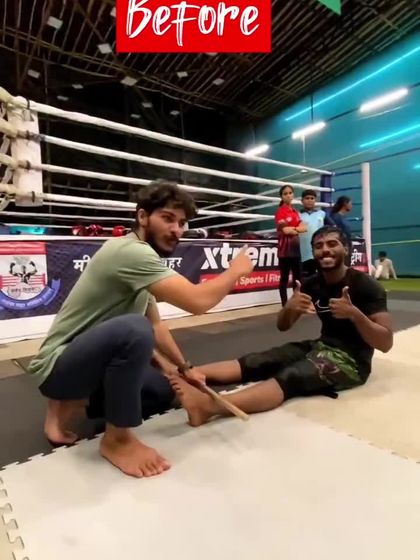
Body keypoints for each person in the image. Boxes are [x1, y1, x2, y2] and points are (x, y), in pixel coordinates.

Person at [29, 180, 254, 478]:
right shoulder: (130, 252)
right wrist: (236, 271)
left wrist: (183, 368)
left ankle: (67, 407)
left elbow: (157, 325)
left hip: (83, 363)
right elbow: (198, 302)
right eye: (168, 218)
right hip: (58, 366)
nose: (176, 229)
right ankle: (117, 440)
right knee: (135, 329)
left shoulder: (143, 262)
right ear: (143, 216)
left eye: (182, 223)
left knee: (162, 388)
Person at [165, 226, 393, 427]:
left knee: (291, 376)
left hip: (352, 363)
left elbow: (386, 343)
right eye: (318, 246)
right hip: (321, 345)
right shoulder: (312, 283)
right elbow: (283, 326)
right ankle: (181, 374)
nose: (325, 250)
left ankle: (207, 408)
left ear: (346, 249)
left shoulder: (366, 286)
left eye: (332, 244)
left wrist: (355, 315)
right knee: (262, 360)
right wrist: (290, 308)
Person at [275, 185, 307, 307]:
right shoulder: (280, 212)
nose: (288, 195)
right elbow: (286, 231)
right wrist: (297, 229)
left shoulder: (295, 212)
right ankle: (285, 305)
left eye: (290, 193)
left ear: (293, 194)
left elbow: (304, 228)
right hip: (284, 252)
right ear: (281, 196)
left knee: (298, 279)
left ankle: (296, 304)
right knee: (284, 279)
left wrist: (294, 229)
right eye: (285, 193)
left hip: (296, 251)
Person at [299, 189, 326, 277]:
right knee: (304, 278)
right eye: (307, 198)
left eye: (312, 198)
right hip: (302, 253)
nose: (310, 200)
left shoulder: (322, 214)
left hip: (318, 252)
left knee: (320, 277)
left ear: (315, 200)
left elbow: (331, 228)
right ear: (302, 201)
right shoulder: (297, 215)